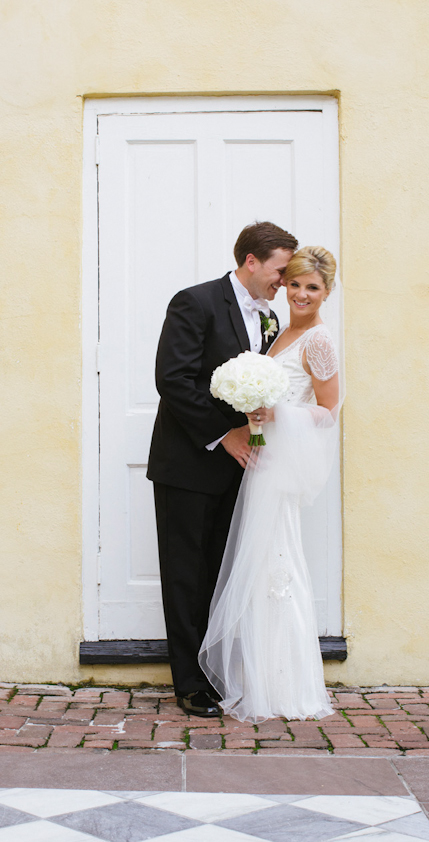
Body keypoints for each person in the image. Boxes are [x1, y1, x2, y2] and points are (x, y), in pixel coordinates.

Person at [147, 222, 298, 717]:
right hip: (188, 463)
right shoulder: (195, 302)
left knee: (220, 574)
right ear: (251, 262)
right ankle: (188, 684)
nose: (284, 280)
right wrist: (224, 432)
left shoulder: (272, 318)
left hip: (241, 468)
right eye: (280, 270)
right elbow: (173, 379)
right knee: (185, 575)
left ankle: (215, 673)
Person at [199, 246, 343, 723]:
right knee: (261, 569)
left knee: (279, 567)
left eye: (313, 287)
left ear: (327, 293)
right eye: (296, 284)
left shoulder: (318, 341)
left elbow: (328, 411)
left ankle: (286, 687)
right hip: (265, 460)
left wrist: (280, 413)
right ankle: (263, 679)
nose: (301, 294)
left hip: (282, 468)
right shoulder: (281, 331)